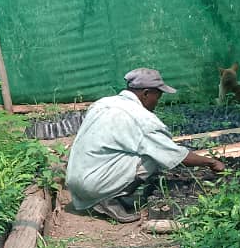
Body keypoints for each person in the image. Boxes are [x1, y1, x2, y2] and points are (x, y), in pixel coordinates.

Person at [65, 68, 225, 223]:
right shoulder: (141, 118)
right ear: (146, 93)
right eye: (158, 95)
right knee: (153, 156)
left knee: (143, 149)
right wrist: (211, 162)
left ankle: (109, 193)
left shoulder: (103, 103)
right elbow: (174, 155)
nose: (158, 101)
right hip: (93, 185)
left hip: (74, 180)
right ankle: (107, 198)